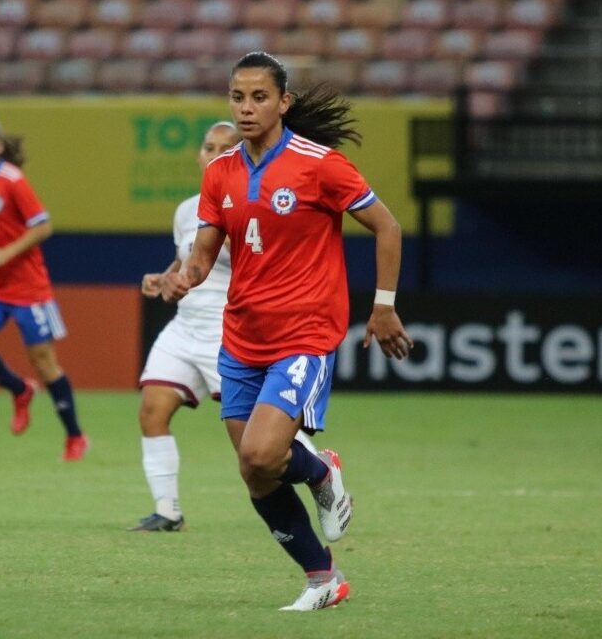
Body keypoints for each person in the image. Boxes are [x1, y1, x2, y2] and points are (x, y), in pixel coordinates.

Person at [162, 52, 414, 611]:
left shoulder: (319, 164)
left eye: (258, 97)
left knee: (260, 451)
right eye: (237, 97)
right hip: (241, 338)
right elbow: (205, 255)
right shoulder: (219, 171)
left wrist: (384, 306)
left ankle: (321, 473)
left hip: (304, 334)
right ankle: (323, 577)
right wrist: (184, 278)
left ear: (283, 103)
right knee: (256, 471)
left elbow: (387, 226)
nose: (247, 108)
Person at [0, 116, 87, 462]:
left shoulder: (13, 181)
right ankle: (19, 389)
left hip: (28, 287)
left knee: (45, 364)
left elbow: (43, 226)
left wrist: (6, 253)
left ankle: (74, 435)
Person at [130, 121, 239, 532]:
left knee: (258, 437)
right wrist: (164, 277)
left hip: (226, 331)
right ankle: (168, 511)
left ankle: (321, 476)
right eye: (208, 147)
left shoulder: (248, 205)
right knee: (152, 411)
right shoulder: (186, 209)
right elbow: (185, 260)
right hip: (185, 326)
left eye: (225, 148)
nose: (213, 154)